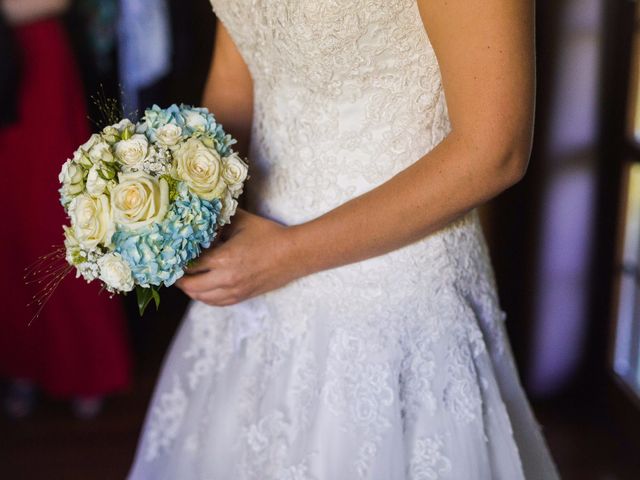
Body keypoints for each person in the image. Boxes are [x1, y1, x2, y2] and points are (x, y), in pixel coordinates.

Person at [129, 0, 560, 478]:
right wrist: (186, 212)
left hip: (392, 292)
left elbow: (494, 151)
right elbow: (238, 73)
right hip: (250, 278)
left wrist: (286, 254)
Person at [0, 0, 131, 419]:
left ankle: (87, 366)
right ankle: (22, 364)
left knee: (53, 214)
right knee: (8, 221)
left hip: (35, 59)